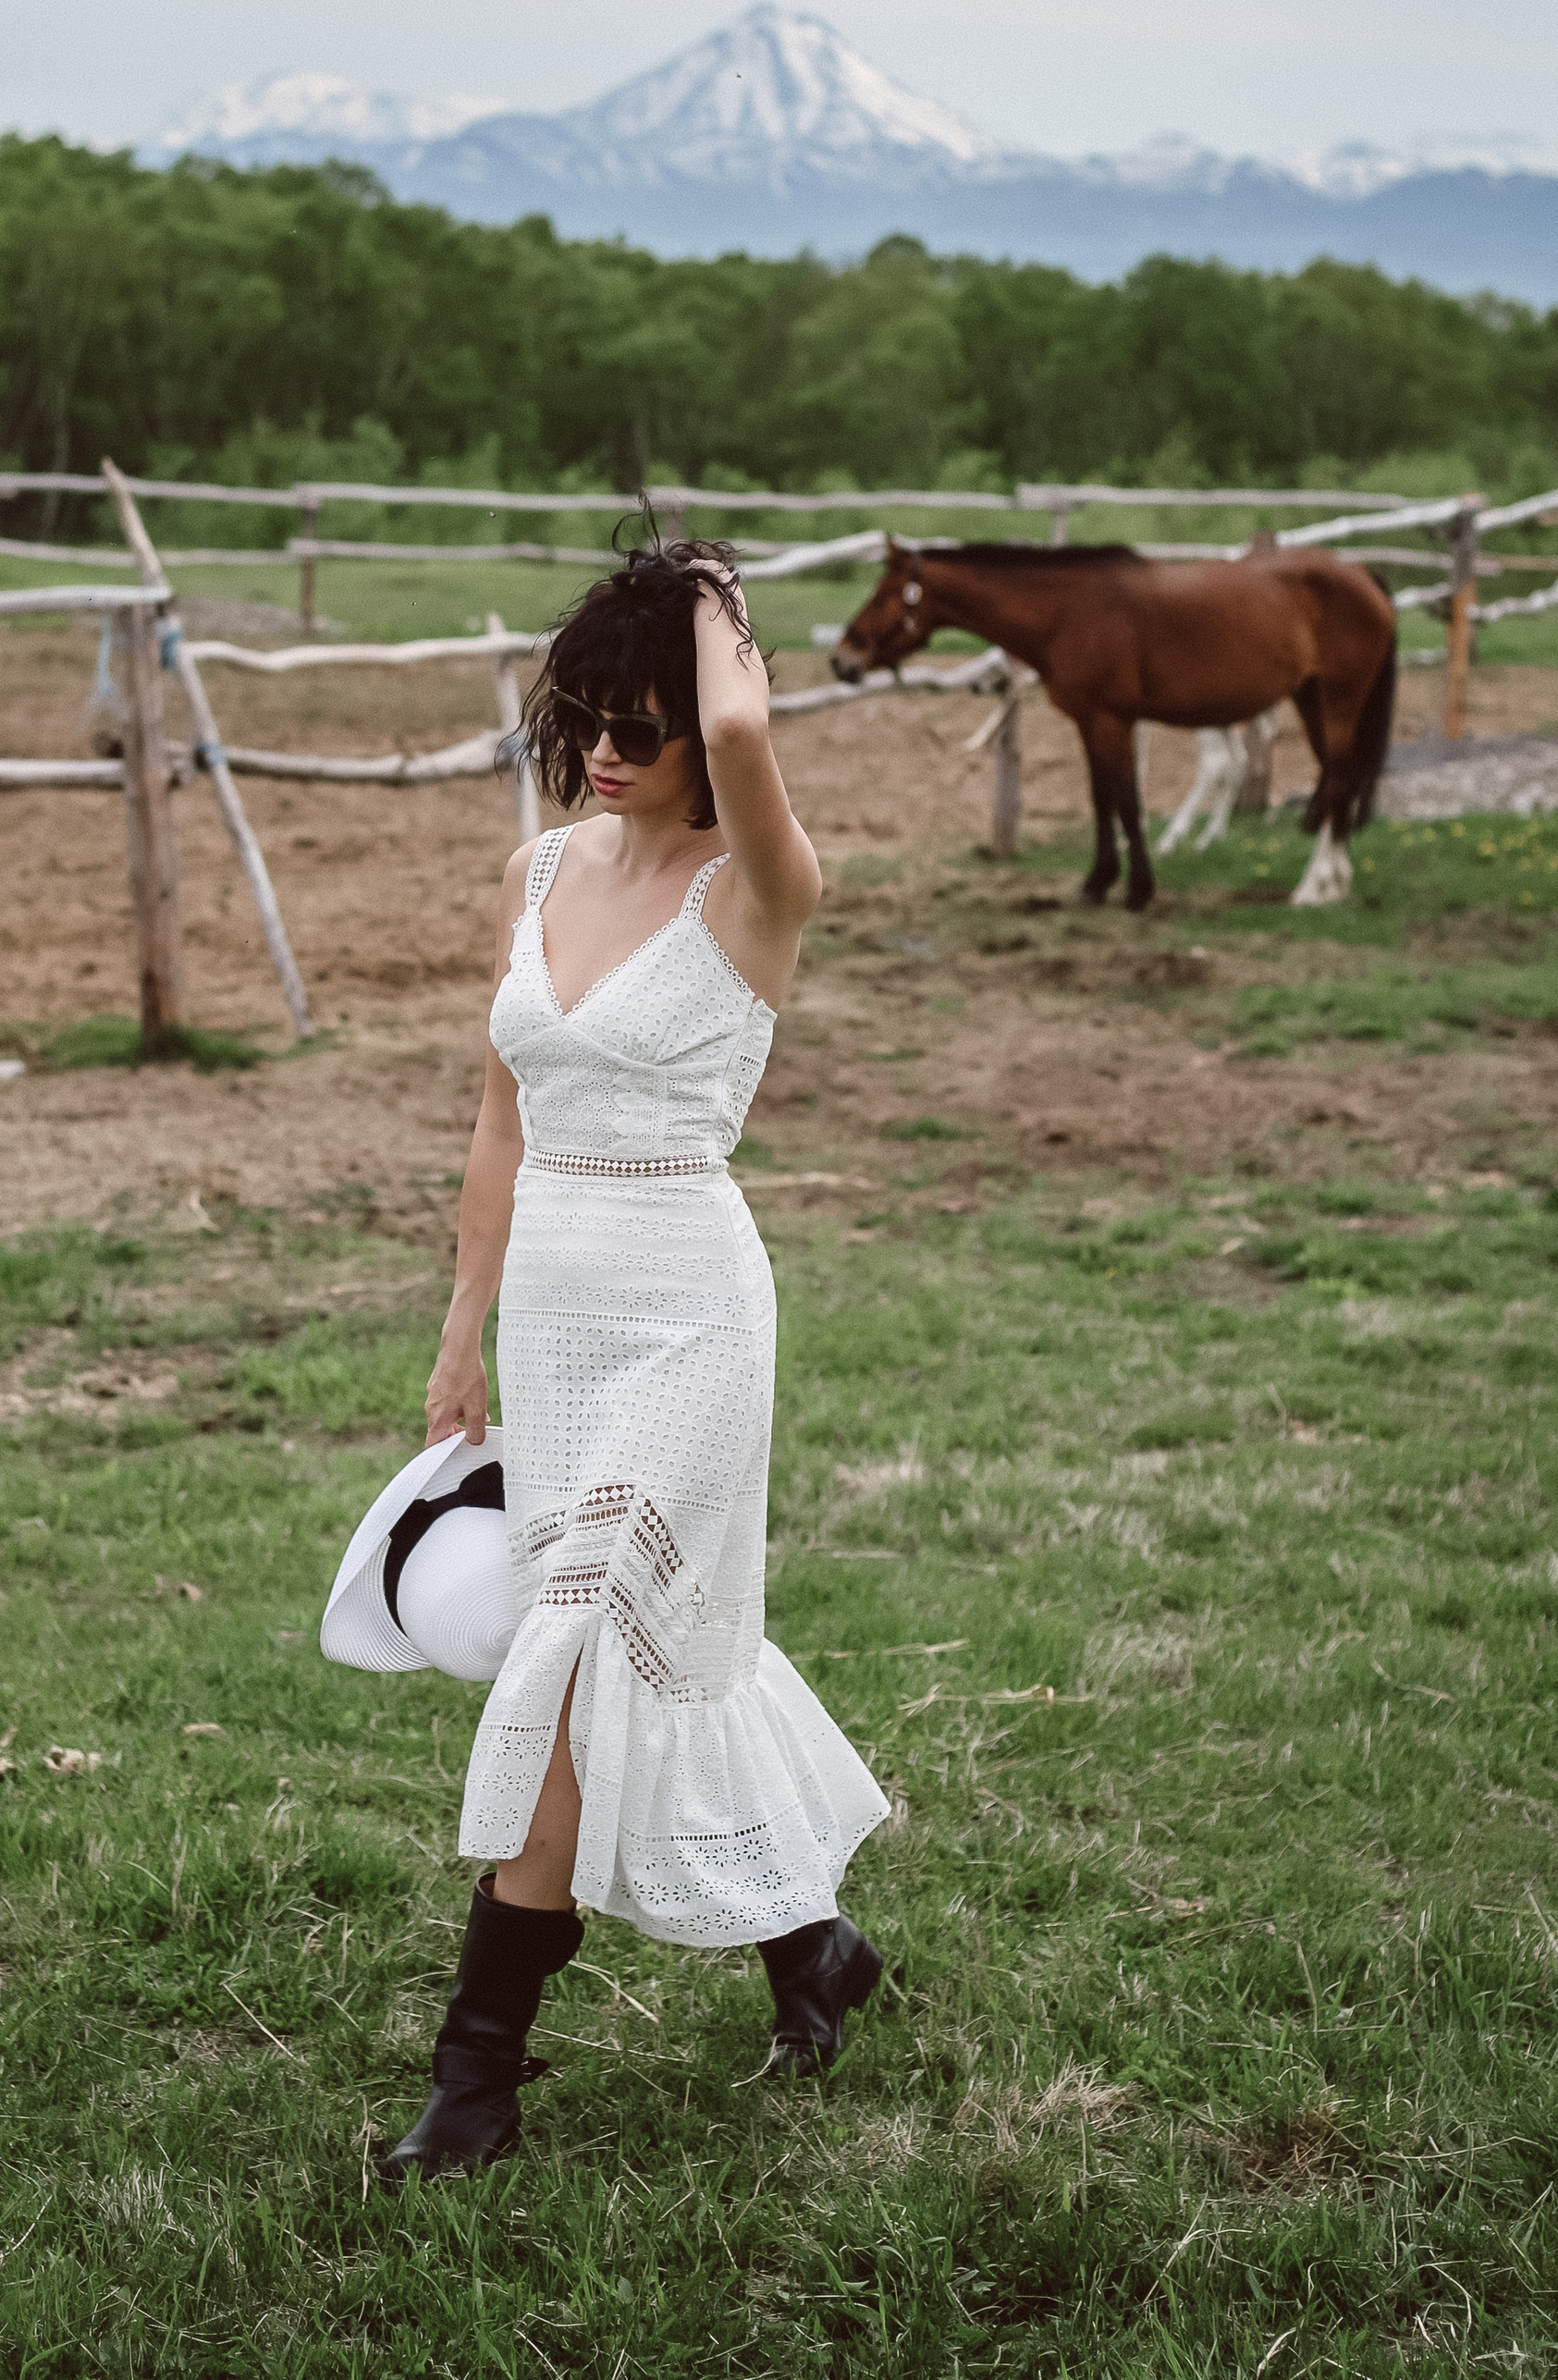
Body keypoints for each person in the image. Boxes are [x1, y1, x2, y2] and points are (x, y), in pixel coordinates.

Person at [382, 535, 890, 2184]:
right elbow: (500, 1115)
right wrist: (463, 1325)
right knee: (663, 1650)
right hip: (554, 1313)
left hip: (689, 1311)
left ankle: (475, 2082)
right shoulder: (538, 873)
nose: (605, 749)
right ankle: (814, 1948)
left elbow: (740, 731)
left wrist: (705, 592)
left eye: (639, 724)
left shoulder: (760, 882)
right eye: (586, 714)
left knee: (579, 1645)